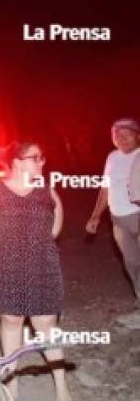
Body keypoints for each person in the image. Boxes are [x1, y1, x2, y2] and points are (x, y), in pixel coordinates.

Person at [0, 141, 71, 401]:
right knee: (12, 321)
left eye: (43, 157)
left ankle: (61, 384)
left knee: (46, 325)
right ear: (16, 162)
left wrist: (33, 246)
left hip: (41, 264)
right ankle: (12, 386)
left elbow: (55, 230)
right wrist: (0, 246)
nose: (42, 162)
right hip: (5, 265)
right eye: (35, 158)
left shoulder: (48, 192)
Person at [86, 118, 140, 327]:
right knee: (132, 263)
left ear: (137, 136)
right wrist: (95, 216)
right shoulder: (112, 157)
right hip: (118, 219)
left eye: (127, 134)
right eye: (117, 135)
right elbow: (105, 188)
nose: (122, 138)